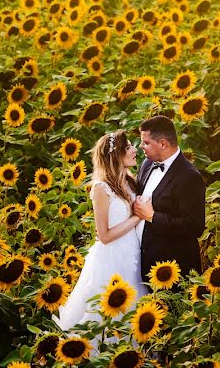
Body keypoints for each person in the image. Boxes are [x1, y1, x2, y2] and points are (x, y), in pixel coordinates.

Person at [53, 130, 149, 346]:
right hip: (111, 258)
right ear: (116, 156)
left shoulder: (131, 181)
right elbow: (104, 235)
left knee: (134, 311)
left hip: (133, 254)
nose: (135, 151)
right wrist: (137, 217)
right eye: (129, 148)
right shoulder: (101, 188)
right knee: (104, 313)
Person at [132, 115, 206, 289]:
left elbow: (194, 226)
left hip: (173, 270)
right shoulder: (147, 164)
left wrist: (152, 216)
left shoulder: (189, 177)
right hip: (142, 263)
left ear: (163, 143)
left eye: (146, 142)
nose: (141, 146)